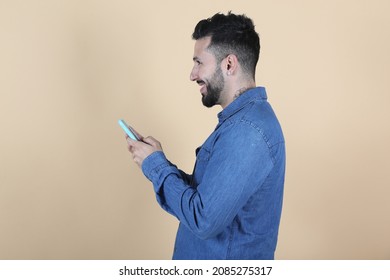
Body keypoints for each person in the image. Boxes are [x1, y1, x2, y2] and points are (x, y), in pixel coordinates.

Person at [125, 12, 285, 260]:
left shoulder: (247, 130)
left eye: (199, 62)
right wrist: (157, 160)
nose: (192, 74)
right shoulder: (243, 123)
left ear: (229, 64)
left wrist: (155, 167)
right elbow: (208, 198)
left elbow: (203, 219)